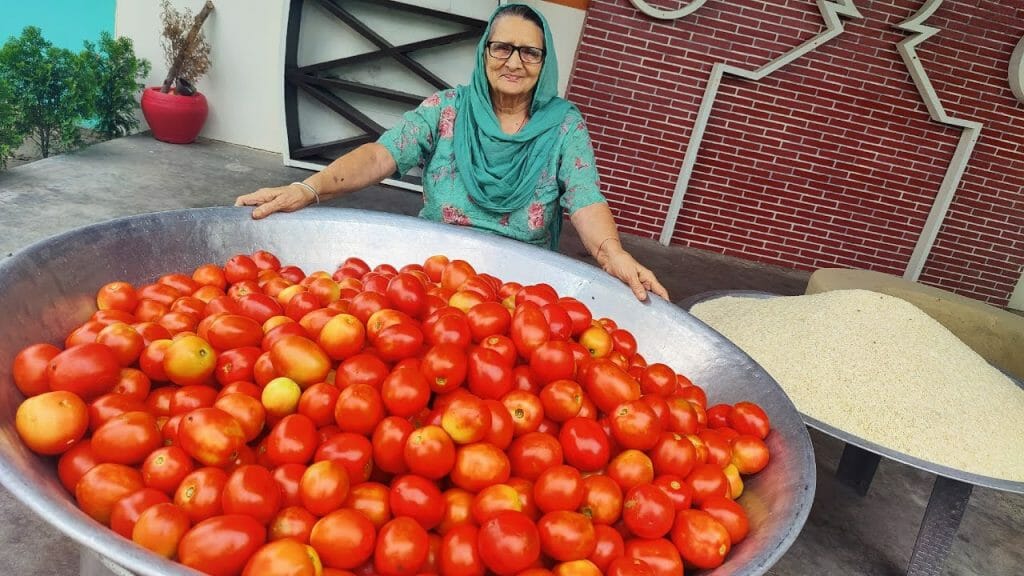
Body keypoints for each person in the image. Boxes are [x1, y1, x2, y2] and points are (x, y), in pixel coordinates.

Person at [236, 3, 668, 301]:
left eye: (530, 52)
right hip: (432, 275)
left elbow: (585, 197)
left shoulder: (563, 125)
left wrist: (613, 254)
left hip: (517, 288)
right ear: (484, 53)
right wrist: (308, 188)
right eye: (502, 47)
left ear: (545, 61)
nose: (514, 62)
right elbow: (380, 155)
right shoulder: (447, 109)